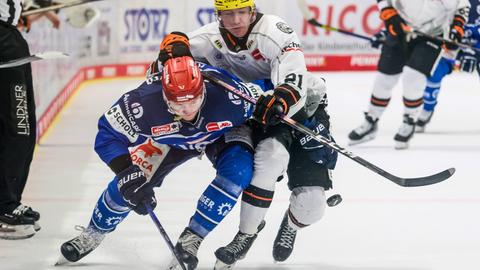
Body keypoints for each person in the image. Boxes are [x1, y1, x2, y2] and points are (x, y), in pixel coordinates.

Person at [148, 0, 338, 268]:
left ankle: (293, 223)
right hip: (259, 112)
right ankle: (246, 234)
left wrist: (281, 99)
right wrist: (169, 50)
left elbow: (293, 77)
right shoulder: (207, 39)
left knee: (311, 205)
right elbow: (166, 64)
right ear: (218, 15)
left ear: (252, 11)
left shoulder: (275, 31)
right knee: (269, 159)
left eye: (241, 12)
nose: (236, 21)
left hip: (299, 108)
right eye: (228, 14)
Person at [56, 56, 265, 270]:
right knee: (130, 183)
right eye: (177, 104)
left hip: (220, 134)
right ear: (164, 96)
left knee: (238, 172)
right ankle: (93, 232)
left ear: (203, 89)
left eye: (193, 101)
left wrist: (272, 114)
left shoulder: (231, 96)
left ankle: (191, 239)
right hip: (169, 140)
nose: (187, 111)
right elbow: (108, 134)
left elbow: (265, 98)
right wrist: (126, 170)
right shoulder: (143, 101)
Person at [348, 0, 471, 149]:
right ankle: (371, 119)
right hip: (401, 29)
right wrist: (388, 13)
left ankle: (409, 120)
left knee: (413, 76)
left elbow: (462, 7)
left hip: (432, 34)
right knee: (384, 78)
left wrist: (457, 28)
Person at [0, 0, 57, 240]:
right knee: (18, 128)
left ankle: (7, 201)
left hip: (8, 36)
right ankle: (4, 206)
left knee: (16, 127)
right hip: (4, 41)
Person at [416, 0, 480, 132]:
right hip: (452, 46)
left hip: (477, 47)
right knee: (434, 72)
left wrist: (474, 51)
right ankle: (427, 109)